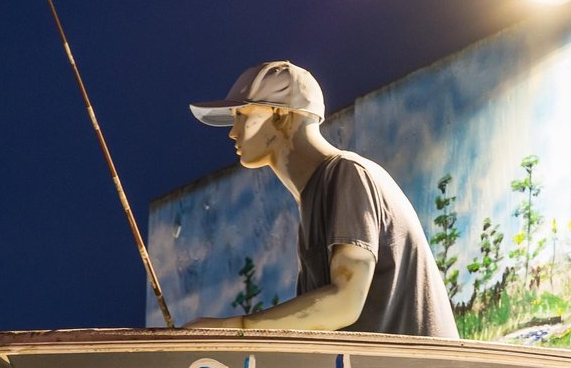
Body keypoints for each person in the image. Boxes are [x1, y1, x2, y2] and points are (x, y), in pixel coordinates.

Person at [188, 59, 459, 339]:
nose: (232, 132)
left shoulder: (347, 174)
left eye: (241, 115)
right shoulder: (317, 195)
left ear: (280, 114)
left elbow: (344, 302)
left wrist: (232, 329)